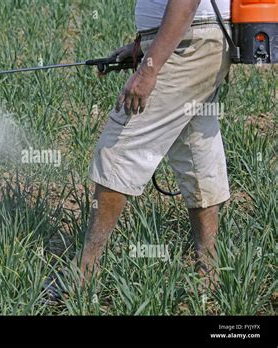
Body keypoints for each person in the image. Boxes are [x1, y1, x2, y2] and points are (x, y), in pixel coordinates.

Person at [45, 0, 232, 302]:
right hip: (195, 41)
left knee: (118, 148)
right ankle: (209, 275)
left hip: (190, 44)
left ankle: (83, 277)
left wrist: (149, 69)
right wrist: (145, 45)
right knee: (196, 149)